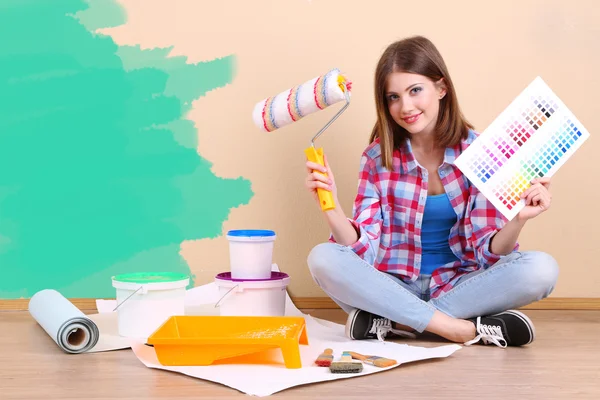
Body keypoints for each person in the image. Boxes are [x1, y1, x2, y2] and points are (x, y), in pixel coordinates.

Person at [304, 35, 559, 348]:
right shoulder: (376, 158)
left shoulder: (482, 152)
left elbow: (488, 252)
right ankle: (457, 329)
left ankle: (396, 323)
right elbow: (363, 251)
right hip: (390, 286)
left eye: (415, 91)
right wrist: (331, 209)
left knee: (541, 269)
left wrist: (518, 218)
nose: (405, 106)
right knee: (323, 258)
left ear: (441, 88)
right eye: (393, 97)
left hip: (458, 287)